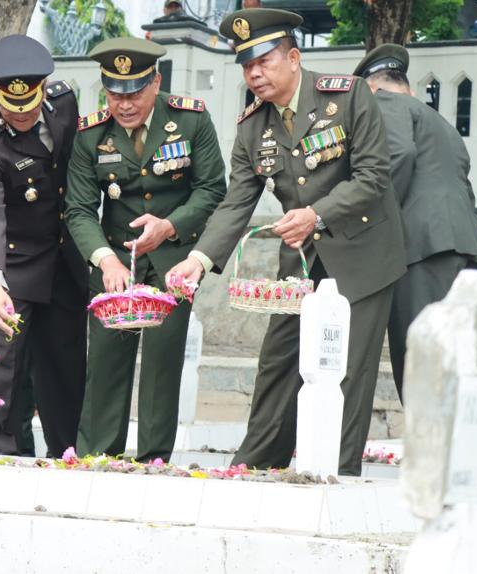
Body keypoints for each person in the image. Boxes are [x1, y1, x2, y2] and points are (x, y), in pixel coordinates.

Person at [167, 8, 406, 476]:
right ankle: (255, 464)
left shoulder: (348, 96)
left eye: (264, 61)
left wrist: (317, 214)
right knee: (278, 358)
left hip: (362, 253)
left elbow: (374, 175)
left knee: (347, 367)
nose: (254, 73)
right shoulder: (252, 126)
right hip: (301, 259)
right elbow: (237, 202)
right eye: (246, 65)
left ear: (294, 57)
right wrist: (198, 259)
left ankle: (332, 471)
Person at [65, 37, 227, 463]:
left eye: (134, 92)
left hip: (175, 260)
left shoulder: (190, 120)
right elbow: (79, 208)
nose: (125, 104)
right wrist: (106, 260)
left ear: (156, 82)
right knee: (105, 360)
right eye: (115, 93)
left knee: (162, 362)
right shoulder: (90, 134)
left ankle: (153, 459)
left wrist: (171, 226)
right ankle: (97, 457)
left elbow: (212, 188)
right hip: (116, 261)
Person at [0, 34, 89, 457]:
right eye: (11, 107)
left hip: (61, 255)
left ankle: (67, 452)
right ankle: (0, 453)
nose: (21, 115)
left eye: (29, 105)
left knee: (64, 360)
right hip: (9, 262)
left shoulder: (64, 103)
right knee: (4, 364)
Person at [353, 44, 477, 398]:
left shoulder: (384, 104)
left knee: (420, 351)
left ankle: (429, 444)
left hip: (422, 247)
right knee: (455, 354)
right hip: (463, 248)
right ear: (408, 87)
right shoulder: (439, 122)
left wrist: (374, 221)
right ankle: (456, 443)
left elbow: (398, 153)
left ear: (370, 90)